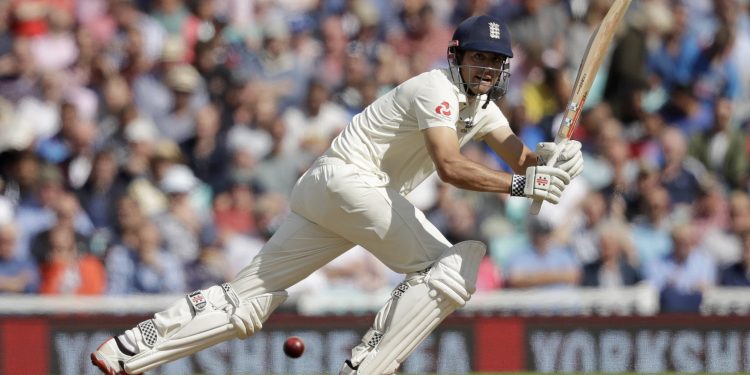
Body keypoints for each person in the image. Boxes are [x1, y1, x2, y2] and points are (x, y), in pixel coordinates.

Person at [91, 15, 583, 375]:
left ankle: (131, 348)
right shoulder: (433, 88)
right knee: (456, 264)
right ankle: (368, 366)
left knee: (247, 304)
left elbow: (523, 163)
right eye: (478, 57)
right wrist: (525, 184)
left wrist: (556, 161)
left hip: (332, 190)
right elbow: (451, 168)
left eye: (495, 62)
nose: (486, 69)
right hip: (353, 181)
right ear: (455, 56)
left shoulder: (485, 109)